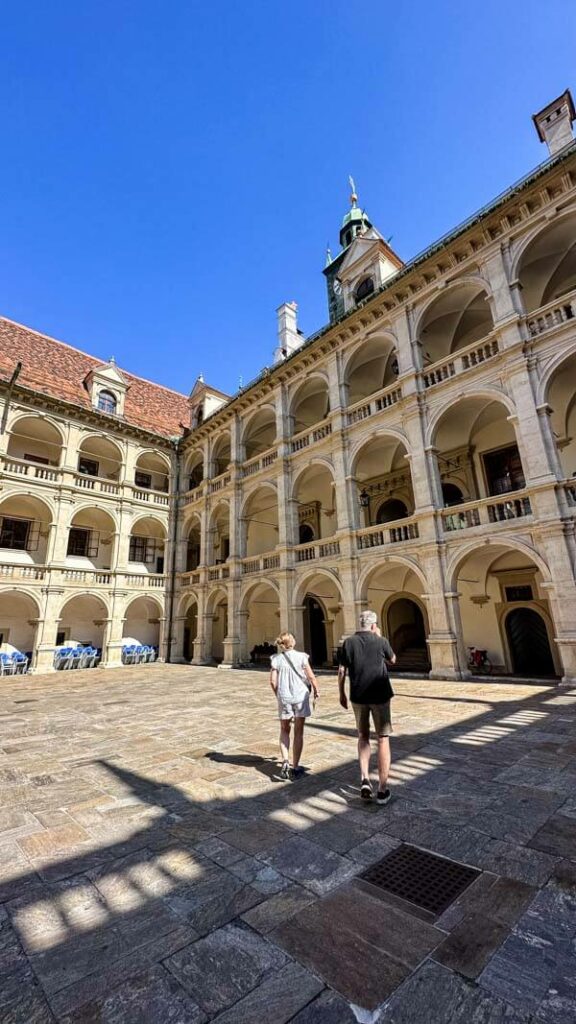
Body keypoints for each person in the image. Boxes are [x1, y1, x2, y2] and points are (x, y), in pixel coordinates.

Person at [337, 610, 396, 804]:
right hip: (380, 695)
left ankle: (364, 778)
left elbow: (341, 671)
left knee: (363, 736)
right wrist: (380, 637)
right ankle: (382, 788)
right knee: (383, 739)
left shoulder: (348, 642)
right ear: (373, 625)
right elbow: (393, 660)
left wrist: (342, 694)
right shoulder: (381, 641)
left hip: (358, 695)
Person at [270, 632, 319, 780]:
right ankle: (296, 766)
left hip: (284, 697)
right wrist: (316, 690)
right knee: (299, 732)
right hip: (300, 696)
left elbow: (273, 682)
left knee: (284, 730)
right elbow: (310, 676)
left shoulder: (276, 659)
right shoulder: (302, 657)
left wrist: (279, 695)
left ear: (281, 644)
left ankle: (285, 761)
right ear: (293, 642)